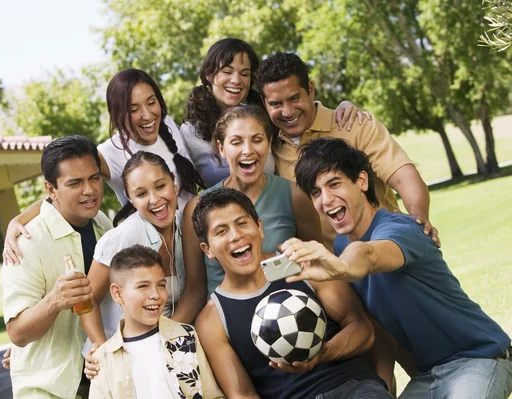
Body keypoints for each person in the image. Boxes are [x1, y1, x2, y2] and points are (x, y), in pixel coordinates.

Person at [284, 137, 512, 398]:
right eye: (315, 192)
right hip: (429, 375)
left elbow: (368, 255)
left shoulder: (400, 228)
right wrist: (381, 387)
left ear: (361, 181)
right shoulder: (340, 246)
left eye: (334, 184)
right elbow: (380, 329)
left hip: (479, 359)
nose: (326, 199)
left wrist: (342, 266)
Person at [191, 188, 391, 398]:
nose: (236, 235)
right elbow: (243, 394)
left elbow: (362, 328)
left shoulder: (302, 265)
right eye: (221, 231)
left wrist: (324, 353)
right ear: (208, 250)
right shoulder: (212, 319)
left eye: (242, 223)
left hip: (351, 386)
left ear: (259, 228)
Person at [2, 68, 204, 265]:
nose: (147, 115)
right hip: (164, 252)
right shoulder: (110, 152)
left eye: (152, 103)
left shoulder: (167, 125)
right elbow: (66, 186)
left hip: (199, 236)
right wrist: (19, 219)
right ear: (118, 114)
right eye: (134, 109)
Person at [256, 52, 438, 250]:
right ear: (264, 103)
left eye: (294, 98)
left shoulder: (355, 125)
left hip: (385, 250)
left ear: (310, 90)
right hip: (330, 271)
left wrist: (418, 221)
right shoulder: (267, 147)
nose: (288, 111)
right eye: (276, 104)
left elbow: (404, 176)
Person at [0, 135, 113, 398]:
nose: (89, 190)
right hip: (49, 390)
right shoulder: (26, 243)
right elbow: (17, 332)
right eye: (75, 183)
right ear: (51, 190)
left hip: (101, 381)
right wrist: (55, 300)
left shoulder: (103, 224)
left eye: (94, 178)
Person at [181, 38, 371, 187]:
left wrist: (344, 105)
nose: (236, 80)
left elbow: (302, 118)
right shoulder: (190, 133)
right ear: (209, 75)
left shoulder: (265, 116)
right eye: (227, 71)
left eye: (245, 73)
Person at [182, 104, 323, 298]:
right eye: (236, 142)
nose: (247, 150)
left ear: (269, 142)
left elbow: (316, 264)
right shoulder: (197, 208)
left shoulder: (294, 195)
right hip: (222, 319)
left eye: (257, 140)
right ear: (222, 148)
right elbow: (194, 290)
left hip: (287, 313)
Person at [80, 152, 204, 371]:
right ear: (131, 199)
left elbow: (195, 290)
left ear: (174, 184)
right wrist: (104, 351)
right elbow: (87, 300)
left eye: (160, 186)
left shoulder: (185, 226)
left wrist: (162, 341)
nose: (155, 199)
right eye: (141, 193)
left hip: (166, 347)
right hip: (121, 355)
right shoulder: (123, 237)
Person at [88, 244, 225, 399]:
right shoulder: (103, 358)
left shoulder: (186, 336)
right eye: (143, 286)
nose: (155, 295)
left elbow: (212, 395)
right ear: (117, 293)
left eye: (161, 285)